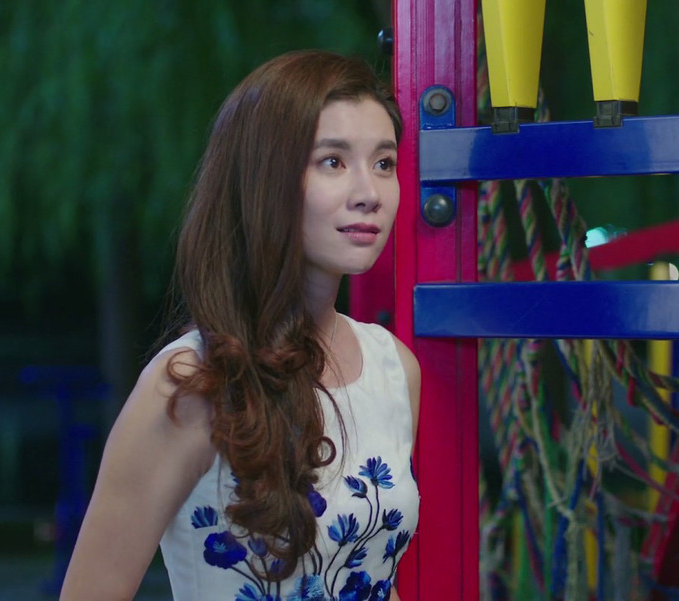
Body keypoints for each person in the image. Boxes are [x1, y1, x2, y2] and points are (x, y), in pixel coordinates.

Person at [59, 49, 420, 601]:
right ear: (264, 177)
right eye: (332, 161)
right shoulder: (190, 383)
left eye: (384, 163)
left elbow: (374, 574)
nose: (369, 193)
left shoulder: (393, 369)